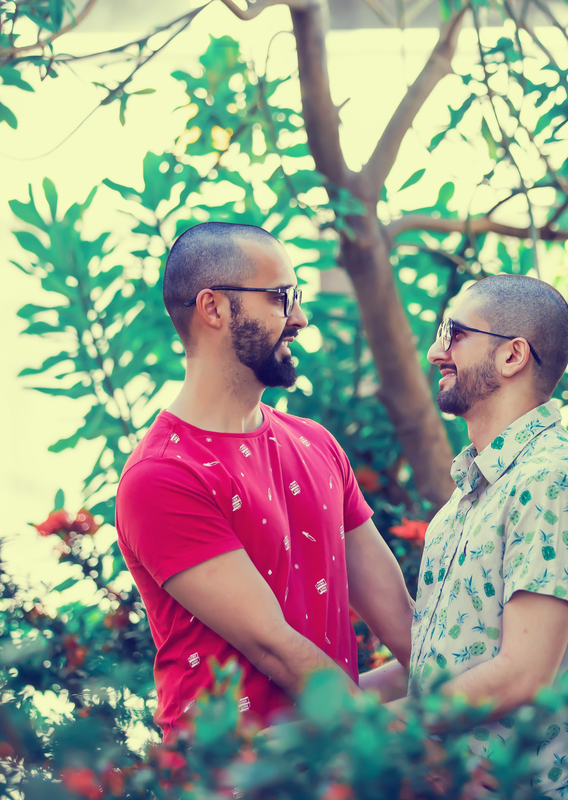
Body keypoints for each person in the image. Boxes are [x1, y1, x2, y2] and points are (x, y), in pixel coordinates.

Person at [115, 222, 413, 736]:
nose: (299, 317)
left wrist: (483, 701)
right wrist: (407, 746)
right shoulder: (162, 476)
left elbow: (403, 622)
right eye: (281, 297)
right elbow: (276, 646)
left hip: (337, 765)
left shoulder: (316, 443)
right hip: (230, 781)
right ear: (213, 308)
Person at [411, 274, 568, 799]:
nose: (436, 350)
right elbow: (438, 667)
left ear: (512, 357)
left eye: (453, 333)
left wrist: (382, 736)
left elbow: (521, 673)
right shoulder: (469, 497)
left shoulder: (550, 480)